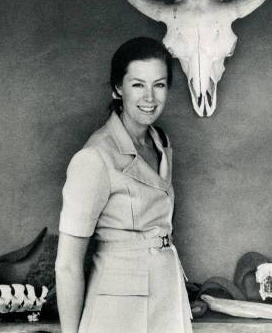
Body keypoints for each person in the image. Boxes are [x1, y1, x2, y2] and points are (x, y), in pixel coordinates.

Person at [55, 37, 192, 333]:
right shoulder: (94, 157)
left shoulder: (161, 143)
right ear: (118, 88)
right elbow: (67, 265)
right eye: (138, 85)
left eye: (159, 84)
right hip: (118, 308)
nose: (150, 98)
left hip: (167, 297)